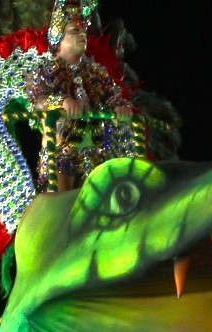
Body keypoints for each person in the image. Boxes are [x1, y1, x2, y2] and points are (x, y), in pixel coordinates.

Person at [26, 1, 138, 192]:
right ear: (58, 36)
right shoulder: (46, 71)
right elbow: (38, 100)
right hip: (61, 155)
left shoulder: (95, 72)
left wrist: (119, 107)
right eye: (75, 31)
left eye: (84, 30)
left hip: (96, 156)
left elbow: (110, 95)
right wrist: (62, 101)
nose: (82, 34)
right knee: (62, 204)